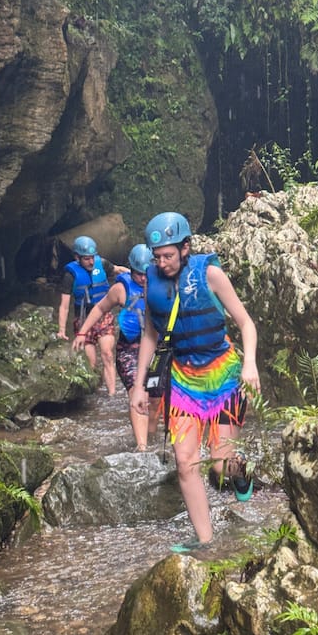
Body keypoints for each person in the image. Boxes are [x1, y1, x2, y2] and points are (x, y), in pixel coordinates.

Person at [130, 211, 261, 553]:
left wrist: (249, 364)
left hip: (224, 375)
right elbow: (149, 333)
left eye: (169, 256)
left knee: (221, 465)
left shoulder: (210, 274)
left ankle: (241, 473)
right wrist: (139, 385)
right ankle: (205, 541)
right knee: (185, 461)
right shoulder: (152, 281)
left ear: (186, 248)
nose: (162, 263)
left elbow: (246, 323)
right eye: (157, 257)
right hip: (184, 379)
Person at [73, 244, 158, 451]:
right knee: (138, 394)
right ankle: (142, 447)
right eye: (138, 274)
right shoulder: (122, 288)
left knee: (155, 401)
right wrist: (82, 332)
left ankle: (152, 438)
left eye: (146, 274)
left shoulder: (162, 285)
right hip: (129, 350)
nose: (143, 278)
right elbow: (100, 308)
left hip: (157, 350)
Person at [57, 235, 127, 396]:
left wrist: (140, 275)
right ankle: (94, 395)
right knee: (92, 363)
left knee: (108, 354)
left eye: (92, 258)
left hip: (104, 317)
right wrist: (61, 330)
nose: (90, 262)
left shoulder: (101, 264)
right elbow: (64, 306)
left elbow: (118, 269)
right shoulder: (70, 275)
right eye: (87, 259)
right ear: (77, 257)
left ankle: (111, 394)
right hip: (83, 321)